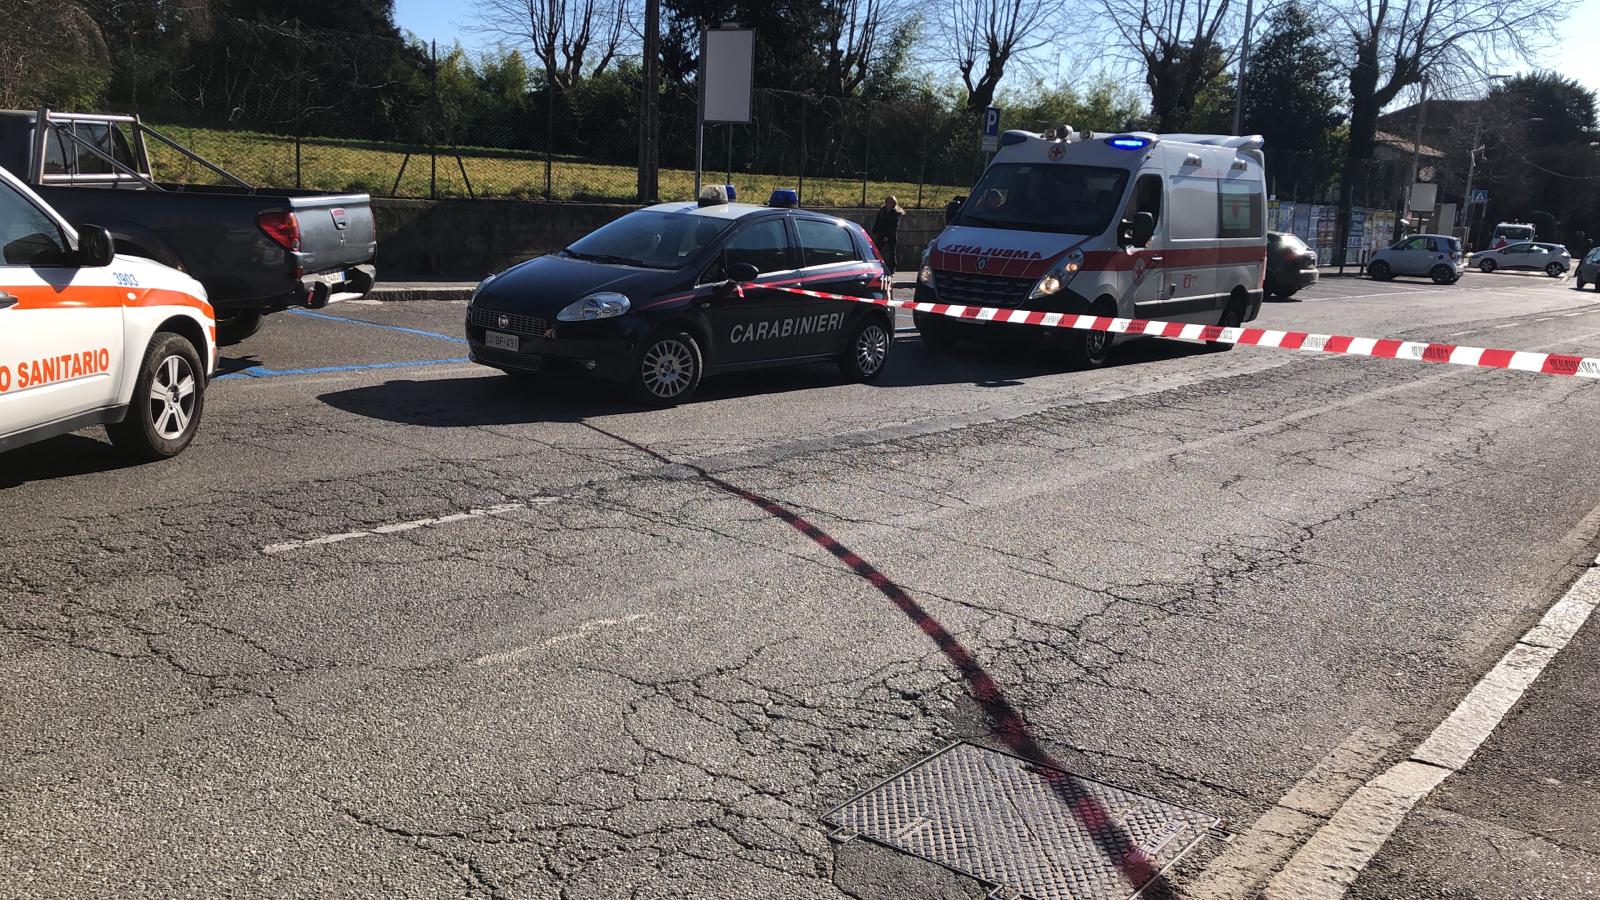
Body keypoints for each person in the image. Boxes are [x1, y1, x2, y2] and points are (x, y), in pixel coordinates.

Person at [871, 195, 906, 275]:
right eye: (887, 202)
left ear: (894, 203)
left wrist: (888, 236)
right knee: (877, 252)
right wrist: (874, 230)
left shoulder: (896, 213)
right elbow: (878, 220)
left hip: (891, 236)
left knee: (891, 253)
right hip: (881, 233)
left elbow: (894, 226)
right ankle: (876, 267)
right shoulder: (882, 210)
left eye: (891, 202)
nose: (888, 204)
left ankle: (891, 269)